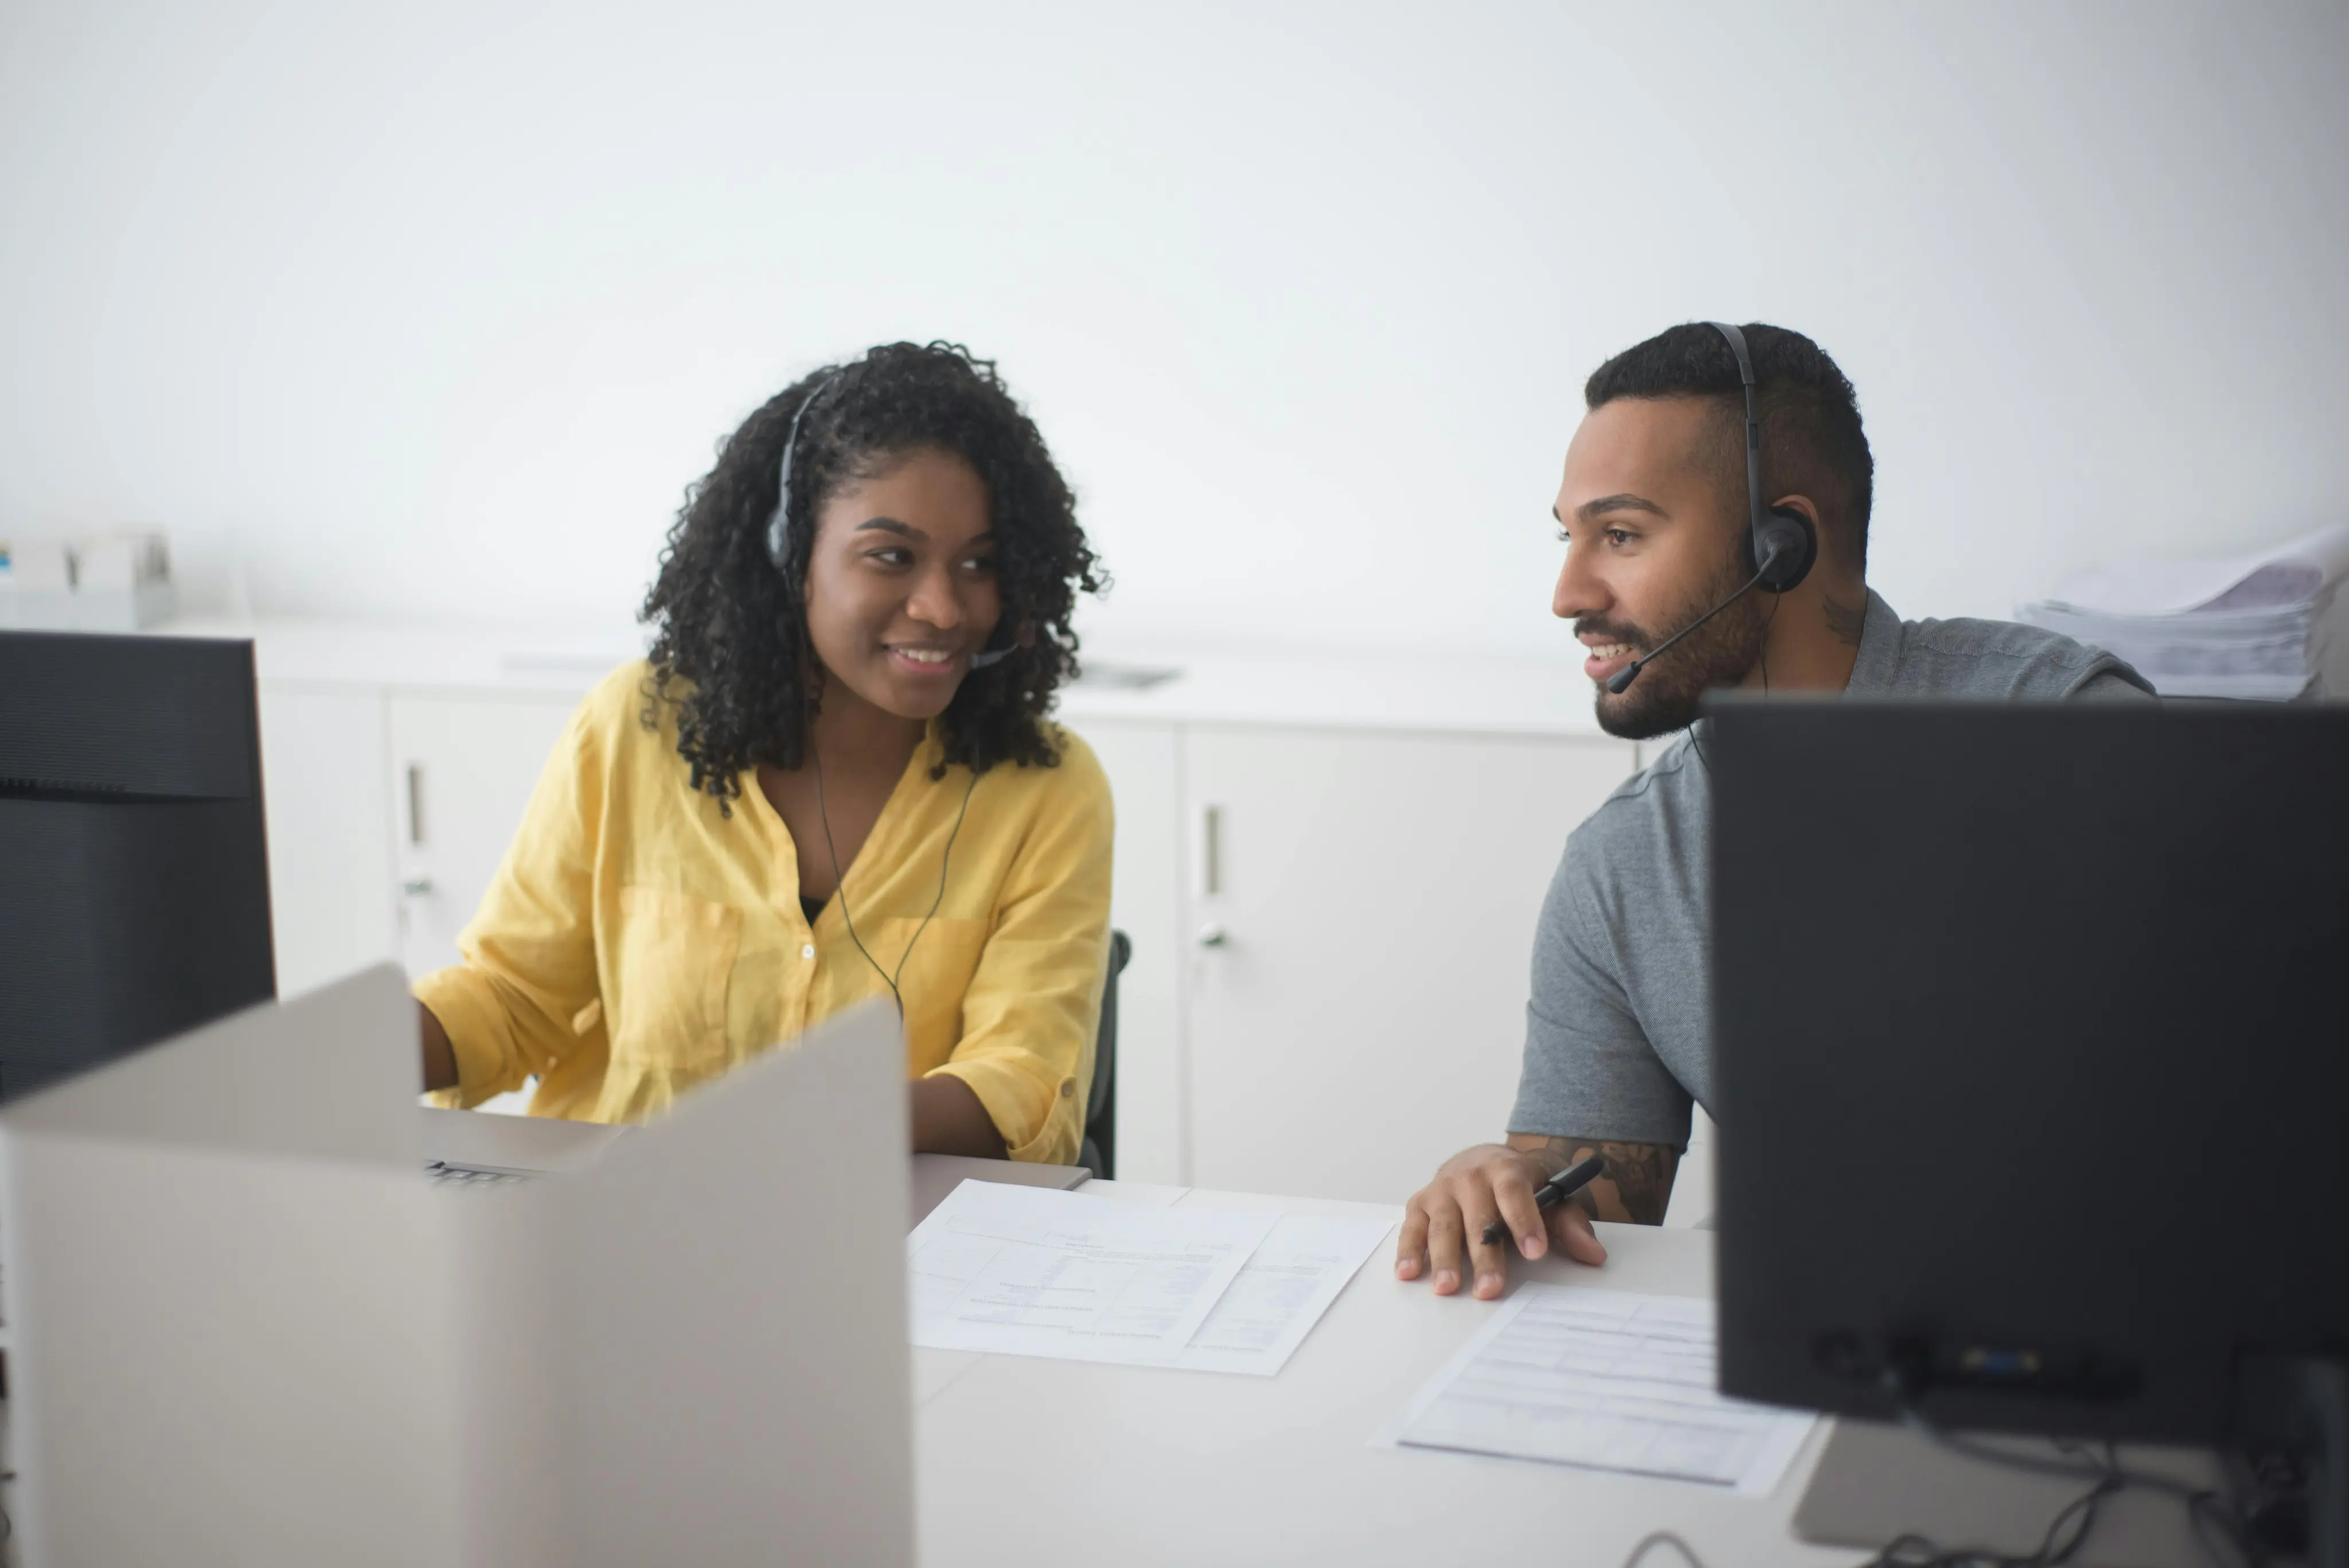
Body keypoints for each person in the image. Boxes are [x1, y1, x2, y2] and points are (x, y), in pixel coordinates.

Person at [1396, 322, 2150, 1296]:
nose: (1567, 593)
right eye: (1567, 536)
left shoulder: (2070, 733)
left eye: (1620, 535)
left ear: (1780, 545)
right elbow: (1602, 1206)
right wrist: (1504, 1187)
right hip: (1799, 1327)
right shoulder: (1624, 863)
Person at [413, 341, 1114, 1162]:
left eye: (979, 565)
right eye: (892, 556)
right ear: (791, 555)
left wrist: (805, 1126)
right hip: (606, 1216)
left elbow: (1022, 1079)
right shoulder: (635, 728)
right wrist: (338, 1057)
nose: (942, 607)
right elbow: (511, 998)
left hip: (886, 1232)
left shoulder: (1046, 788)